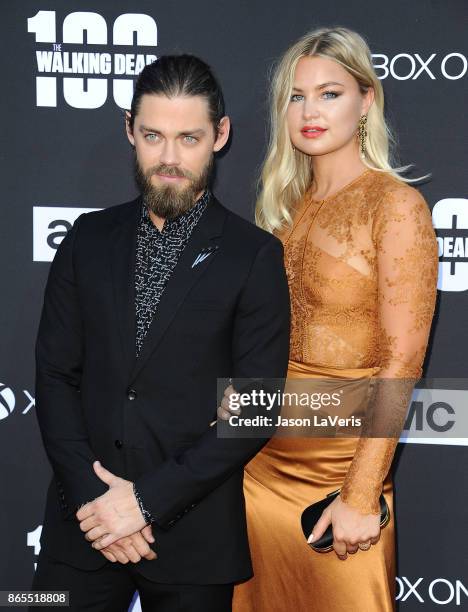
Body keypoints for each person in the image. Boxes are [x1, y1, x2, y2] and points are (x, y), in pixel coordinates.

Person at [30, 54, 290, 612]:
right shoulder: (86, 238)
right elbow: (54, 376)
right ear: (129, 129)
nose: (169, 159)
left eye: (189, 138)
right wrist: (98, 503)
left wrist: (144, 502)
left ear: (220, 135)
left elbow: (256, 410)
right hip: (84, 528)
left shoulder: (255, 256)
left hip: (194, 539)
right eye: (152, 136)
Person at [219, 27, 438, 611]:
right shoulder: (283, 211)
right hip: (258, 467)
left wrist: (363, 492)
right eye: (296, 96)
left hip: (341, 469)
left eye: (329, 93)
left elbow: (401, 361)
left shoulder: (396, 206)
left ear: (367, 101)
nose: (310, 110)